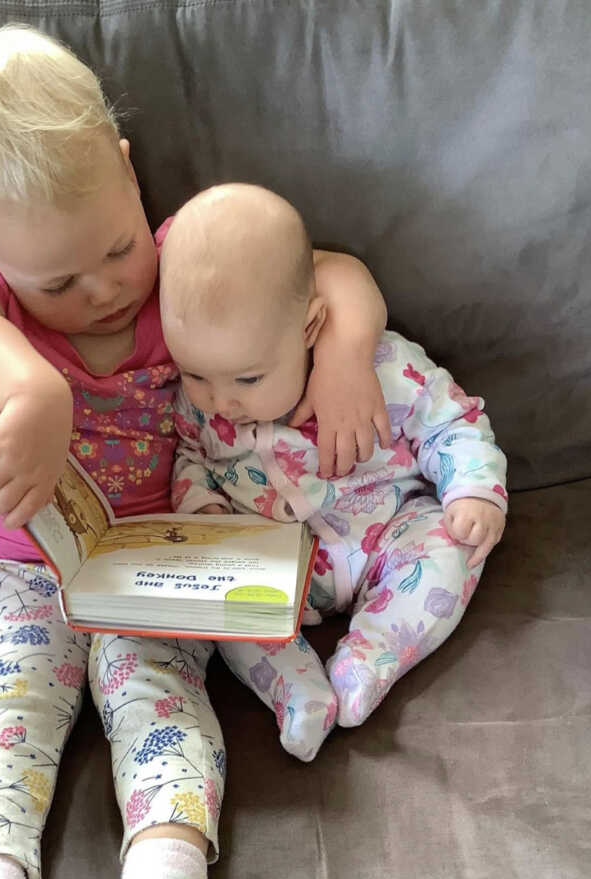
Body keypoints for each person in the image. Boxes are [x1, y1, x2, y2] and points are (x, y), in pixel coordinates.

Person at [0, 26, 392, 879]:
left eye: (118, 248)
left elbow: (330, 270)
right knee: (7, 707)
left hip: (158, 555)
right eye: (57, 282)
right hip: (19, 567)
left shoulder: (178, 264)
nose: (106, 289)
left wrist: (344, 347)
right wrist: (32, 384)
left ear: (127, 178)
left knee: (160, 699)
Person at [159, 184, 508, 761]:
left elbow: (451, 422)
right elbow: (190, 456)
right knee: (221, 597)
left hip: (389, 531)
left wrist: (474, 490)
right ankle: (294, 689)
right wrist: (204, 513)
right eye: (196, 374)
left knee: (450, 548)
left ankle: (371, 658)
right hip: (275, 558)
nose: (220, 401)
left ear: (309, 326)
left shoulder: (381, 367)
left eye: (247, 379)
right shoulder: (195, 406)